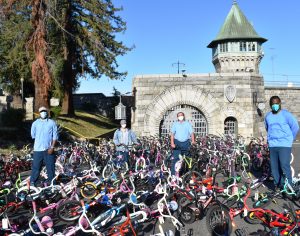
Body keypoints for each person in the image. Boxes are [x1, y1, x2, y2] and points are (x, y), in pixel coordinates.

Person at [265, 96, 299, 191]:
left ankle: (289, 186)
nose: (274, 105)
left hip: (284, 144)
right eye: (273, 104)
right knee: (274, 167)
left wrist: (289, 139)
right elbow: (267, 128)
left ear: (280, 104)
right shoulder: (268, 116)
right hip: (273, 144)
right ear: (270, 105)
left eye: (276, 103)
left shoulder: (286, 115)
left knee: (284, 165)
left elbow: (295, 127)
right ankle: (279, 185)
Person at [30, 106, 58, 186]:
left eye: (44, 111)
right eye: (41, 111)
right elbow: (33, 135)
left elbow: (55, 136)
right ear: (39, 113)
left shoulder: (52, 122)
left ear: (47, 112)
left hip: (49, 149)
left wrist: (52, 147)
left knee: (51, 167)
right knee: (36, 167)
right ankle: (33, 182)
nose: (43, 112)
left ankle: (52, 183)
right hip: (38, 150)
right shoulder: (35, 123)